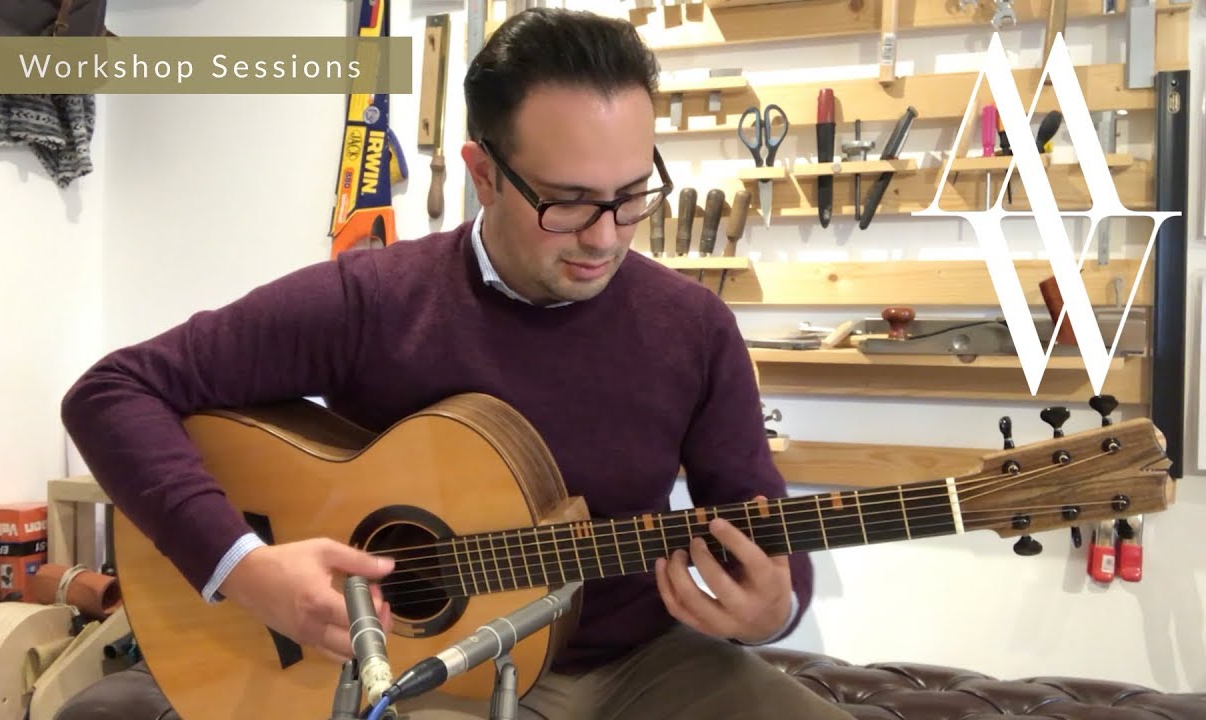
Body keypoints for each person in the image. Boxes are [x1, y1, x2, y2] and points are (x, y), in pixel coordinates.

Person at [60, 8, 853, 720]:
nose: (606, 237)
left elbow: (760, 525)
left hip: (643, 665)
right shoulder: (373, 299)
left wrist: (775, 606)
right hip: (423, 675)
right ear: (481, 174)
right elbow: (112, 392)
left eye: (632, 195)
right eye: (568, 200)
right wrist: (246, 568)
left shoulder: (697, 329)